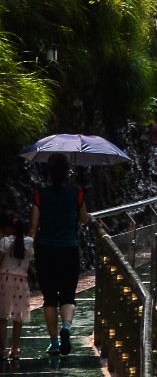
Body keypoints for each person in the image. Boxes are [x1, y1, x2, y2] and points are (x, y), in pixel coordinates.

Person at [30, 154, 88, 361]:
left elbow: (34, 226)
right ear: (67, 172)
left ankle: (54, 341)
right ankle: (66, 326)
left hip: (45, 250)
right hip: (69, 249)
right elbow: (84, 219)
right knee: (68, 295)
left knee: (49, 299)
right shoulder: (77, 192)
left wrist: (30, 246)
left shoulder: (40, 194)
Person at [0, 213, 32, 369]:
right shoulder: (28, 243)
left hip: (4, 280)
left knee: (2, 317)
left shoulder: (5, 242)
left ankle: (2, 350)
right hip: (21, 282)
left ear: (8, 228)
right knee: (18, 317)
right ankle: (15, 349)